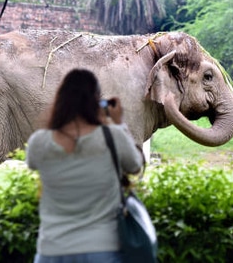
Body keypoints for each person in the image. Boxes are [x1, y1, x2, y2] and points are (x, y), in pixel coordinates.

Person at [26, 68, 144, 263]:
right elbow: (135, 165)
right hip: (103, 248)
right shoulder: (112, 136)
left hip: (52, 249)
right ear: (97, 101)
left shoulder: (39, 142)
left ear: (60, 100)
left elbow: (32, 163)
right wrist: (120, 124)